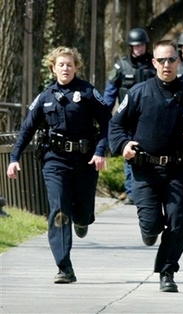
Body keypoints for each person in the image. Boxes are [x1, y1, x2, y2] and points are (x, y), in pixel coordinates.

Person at [108, 40, 183, 293]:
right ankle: (150, 231)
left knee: (177, 224)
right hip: (145, 171)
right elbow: (116, 125)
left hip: (178, 170)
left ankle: (167, 272)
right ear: (154, 63)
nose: (166, 65)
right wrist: (123, 145)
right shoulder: (138, 92)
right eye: (161, 60)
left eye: (171, 60)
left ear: (178, 62)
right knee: (152, 227)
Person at [7, 46, 111, 283]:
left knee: (82, 212)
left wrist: (100, 151)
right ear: (53, 68)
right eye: (61, 65)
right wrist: (14, 158)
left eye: (70, 65)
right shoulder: (45, 97)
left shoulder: (88, 92)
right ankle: (64, 267)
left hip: (85, 160)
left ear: (76, 68)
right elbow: (26, 128)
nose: (65, 68)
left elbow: (107, 122)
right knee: (59, 209)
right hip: (55, 161)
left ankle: (83, 220)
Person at [103, 28, 156, 205]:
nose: (138, 49)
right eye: (135, 46)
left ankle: (147, 189)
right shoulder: (121, 66)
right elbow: (110, 94)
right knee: (129, 151)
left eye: (141, 45)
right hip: (127, 116)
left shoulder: (153, 64)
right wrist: (104, 114)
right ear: (130, 47)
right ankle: (131, 191)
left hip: (149, 116)